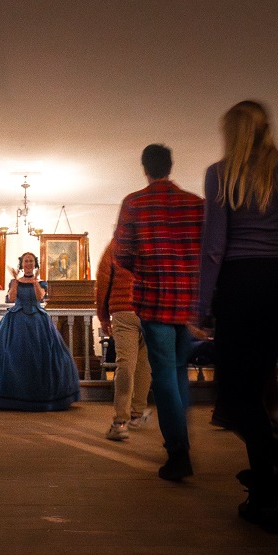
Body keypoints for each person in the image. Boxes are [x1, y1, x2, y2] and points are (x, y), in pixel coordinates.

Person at [200, 100, 278, 534]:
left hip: (239, 285)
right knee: (252, 391)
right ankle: (266, 497)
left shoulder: (220, 173)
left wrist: (203, 303)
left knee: (234, 400)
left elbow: (215, 245)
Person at [115, 144, 204, 480]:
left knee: (164, 377)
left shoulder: (134, 203)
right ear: (171, 165)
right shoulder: (197, 205)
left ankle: (179, 454)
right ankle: (182, 446)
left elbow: (122, 255)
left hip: (154, 301)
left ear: (145, 168)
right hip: (188, 304)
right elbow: (210, 253)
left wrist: (148, 268)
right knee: (179, 374)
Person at [0, 252, 80, 411]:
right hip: (17, 320)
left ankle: (39, 394)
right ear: (22, 264)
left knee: (40, 355)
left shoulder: (41, 283)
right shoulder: (14, 281)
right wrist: (16, 280)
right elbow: (11, 298)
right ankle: (12, 394)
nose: (29, 264)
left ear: (34, 264)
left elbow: (39, 297)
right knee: (13, 354)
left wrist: (35, 281)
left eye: (31, 261)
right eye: (26, 261)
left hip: (38, 320)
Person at [96, 238, 152, 440]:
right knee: (145, 364)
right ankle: (137, 414)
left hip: (124, 309)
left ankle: (120, 422)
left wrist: (103, 316)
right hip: (149, 311)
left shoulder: (117, 244)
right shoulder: (152, 239)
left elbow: (103, 279)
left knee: (125, 364)